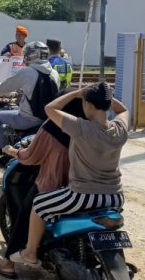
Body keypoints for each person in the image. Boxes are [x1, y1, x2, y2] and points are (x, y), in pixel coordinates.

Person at [8, 81, 130, 268]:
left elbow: (50, 108)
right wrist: (106, 98)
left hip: (83, 195)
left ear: (87, 105)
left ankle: (30, 252)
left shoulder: (81, 128)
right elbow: (123, 111)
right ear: (106, 105)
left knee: (39, 203)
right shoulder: (119, 129)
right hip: (115, 197)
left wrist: (77, 93)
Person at [0, 89, 83, 278]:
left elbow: (31, 156)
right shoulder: (90, 127)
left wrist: (11, 151)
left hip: (54, 183)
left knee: (25, 216)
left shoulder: (53, 127)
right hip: (85, 184)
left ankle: (8, 264)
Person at [0, 41, 60, 157]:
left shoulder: (27, 72)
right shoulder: (54, 73)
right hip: (48, 118)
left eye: (27, 54)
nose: (25, 57)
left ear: (33, 55)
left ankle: (1, 151)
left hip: (28, 119)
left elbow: (4, 87)